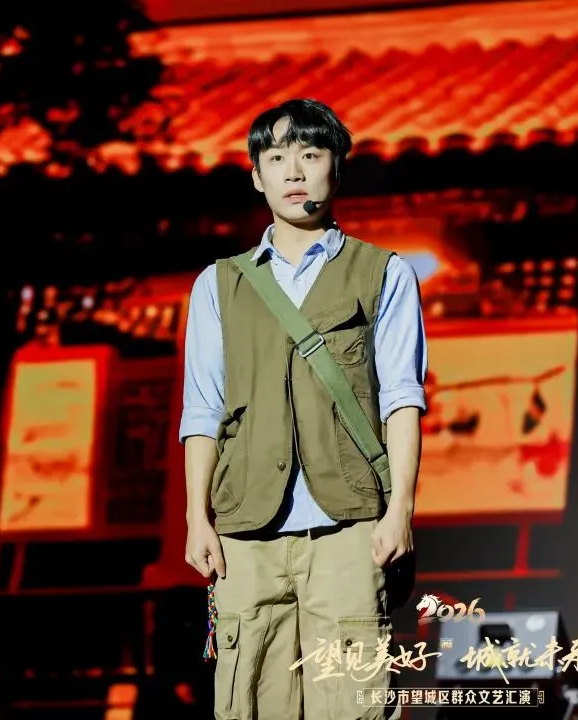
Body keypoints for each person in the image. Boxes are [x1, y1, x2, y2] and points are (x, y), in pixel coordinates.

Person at [180, 99, 428, 720]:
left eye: (311, 155)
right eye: (276, 158)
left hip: (351, 529)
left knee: (354, 704)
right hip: (246, 531)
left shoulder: (384, 273)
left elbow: (402, 399)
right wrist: (196, 518)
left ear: (336, 168)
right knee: (249, 702)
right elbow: (202, 410)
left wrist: (399, 509)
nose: (294, 172)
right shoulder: (218, 284)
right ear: (256, 176)